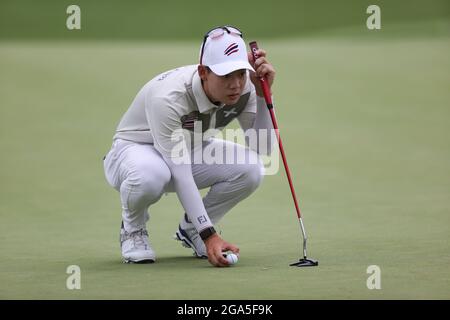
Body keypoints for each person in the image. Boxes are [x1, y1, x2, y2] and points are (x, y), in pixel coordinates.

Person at [103, 25, 276, 267]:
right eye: (226, 75)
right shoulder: (168, 98)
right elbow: (182, 174)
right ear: (203, 72)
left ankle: (191, 230)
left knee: (252, 168)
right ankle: (133, 228)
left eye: (240, 73)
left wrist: (263, 94)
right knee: (151, 175)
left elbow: (265, 148)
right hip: (134, 152)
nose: (236, 84)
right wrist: (210, 233)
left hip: (189, 147)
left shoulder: (246, 88)